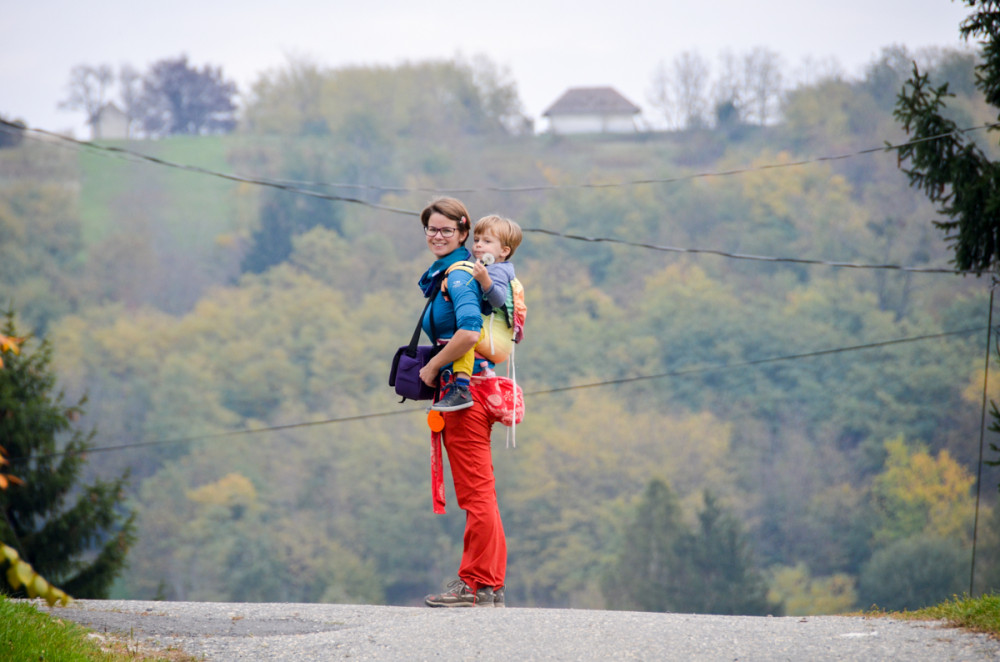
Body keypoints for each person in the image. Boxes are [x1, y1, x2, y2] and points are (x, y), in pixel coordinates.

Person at [415, 197, 507, 608]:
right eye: (432, 229)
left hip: (463, 396)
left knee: (475, 495)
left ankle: (474, 584)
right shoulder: (456, 273)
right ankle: (489, 584)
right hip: (475, 393)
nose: (437, 235)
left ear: (464, 234)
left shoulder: (458, 276)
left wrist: (433, 367)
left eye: (446, 230)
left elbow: (469, 331)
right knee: (481, 492)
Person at [431, 214, 522, 412]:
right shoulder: (492, 268)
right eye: (477, 240)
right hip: (500, 342)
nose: (478, 246)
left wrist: (485, 281)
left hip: (494, 340)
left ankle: (462, 388)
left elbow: (497, 299)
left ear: (504, 251)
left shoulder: (498, 271)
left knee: (466, 336)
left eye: (487, 241)